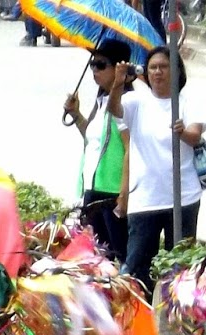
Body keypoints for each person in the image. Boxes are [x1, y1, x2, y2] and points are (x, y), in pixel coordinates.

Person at [110, 46, 206, 291]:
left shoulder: (186, 103)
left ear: (176, 71)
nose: (157, 72)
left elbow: (195, 135)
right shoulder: (135, 101)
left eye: (163, 67)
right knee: (138, 267)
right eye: (153, 67)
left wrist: (182, 132)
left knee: (181, 270)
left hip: (182, 198)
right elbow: (115, 109)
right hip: (146, 199)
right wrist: (118, 83)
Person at [64, 40, 131, 260]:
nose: (94, 70)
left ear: (119, 68)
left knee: (119, 255)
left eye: (101, 65)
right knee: (98, 258)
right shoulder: (101, 100)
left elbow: (130, 148)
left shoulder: (125, 103)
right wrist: (76, 115)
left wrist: (123, 195)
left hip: (112, 193)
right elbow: (93, 141)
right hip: (93, 190)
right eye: (93, 64)